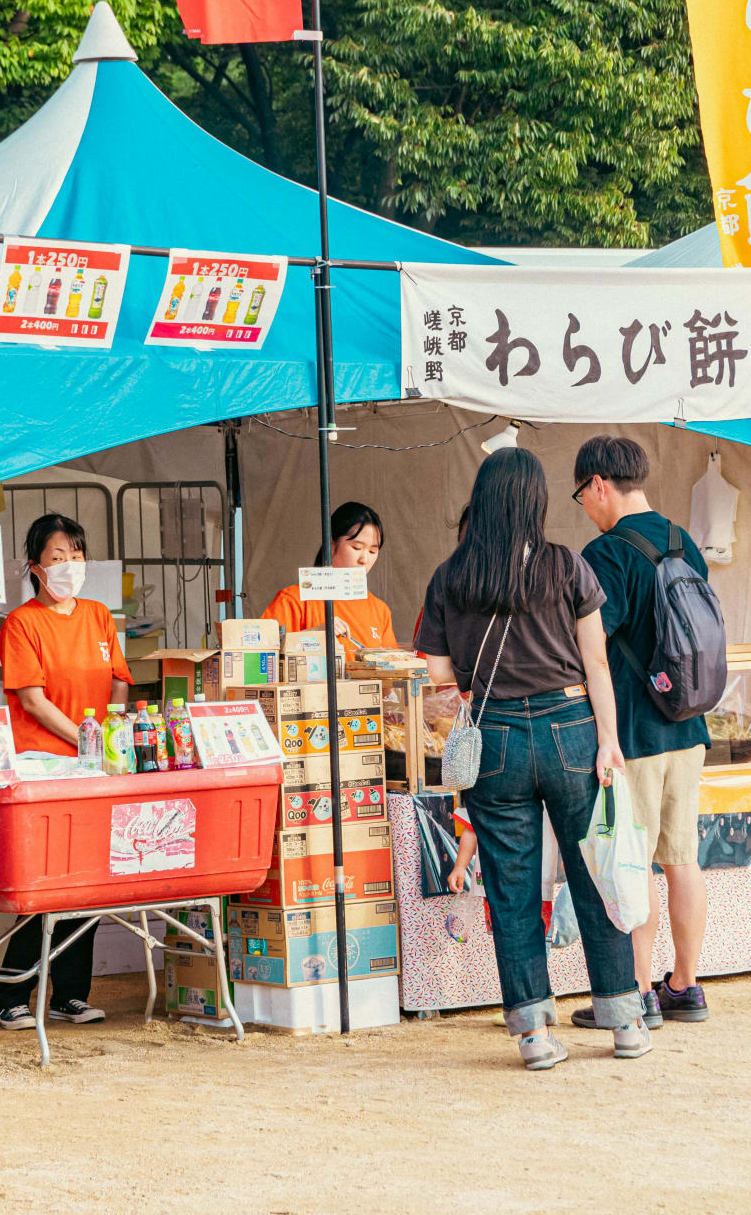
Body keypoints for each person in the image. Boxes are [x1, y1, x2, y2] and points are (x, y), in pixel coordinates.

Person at [415, 447, 646, 1069]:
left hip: (494, 741)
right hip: (571, 727)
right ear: (536, 501)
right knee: (593, 874)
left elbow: (438, 679)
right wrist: (609, 741)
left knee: (512, 888)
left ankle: (533, 1035)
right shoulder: (566, 566)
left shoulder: (450, 577)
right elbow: (596, 662)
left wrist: (468, 701)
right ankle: (624, 1019)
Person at [574, 435, 713, 1028]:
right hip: (690, 725)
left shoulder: (607, 552)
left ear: (599, 484)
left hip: (633, 731)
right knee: (682, 860)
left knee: (633, 863)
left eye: (582, 494)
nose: (584, 505)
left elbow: (593, 649)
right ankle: (685, 984)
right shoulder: (683, 542)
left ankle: (636, 992)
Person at [0, 513, 132, 1029]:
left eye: (76, 556)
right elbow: (32, 699)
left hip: (95, 764)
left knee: (88, 882)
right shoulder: (22, 623)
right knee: (44, 884)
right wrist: (86, 741)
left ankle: (69, 992)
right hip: (46, 764)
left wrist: (110, 732)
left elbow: (119, 678)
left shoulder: (98, 614)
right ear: (35, 566)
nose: (70, 566)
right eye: (58, 558)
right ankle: (11, 994)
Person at [263, 501, 397, 653]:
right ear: (331, 546)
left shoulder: (380, 610)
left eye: (373, 551)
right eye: (357, 547)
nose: (364, 560)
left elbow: (391, 665)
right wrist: (314, 634)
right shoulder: (293, 600)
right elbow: (262, 652)